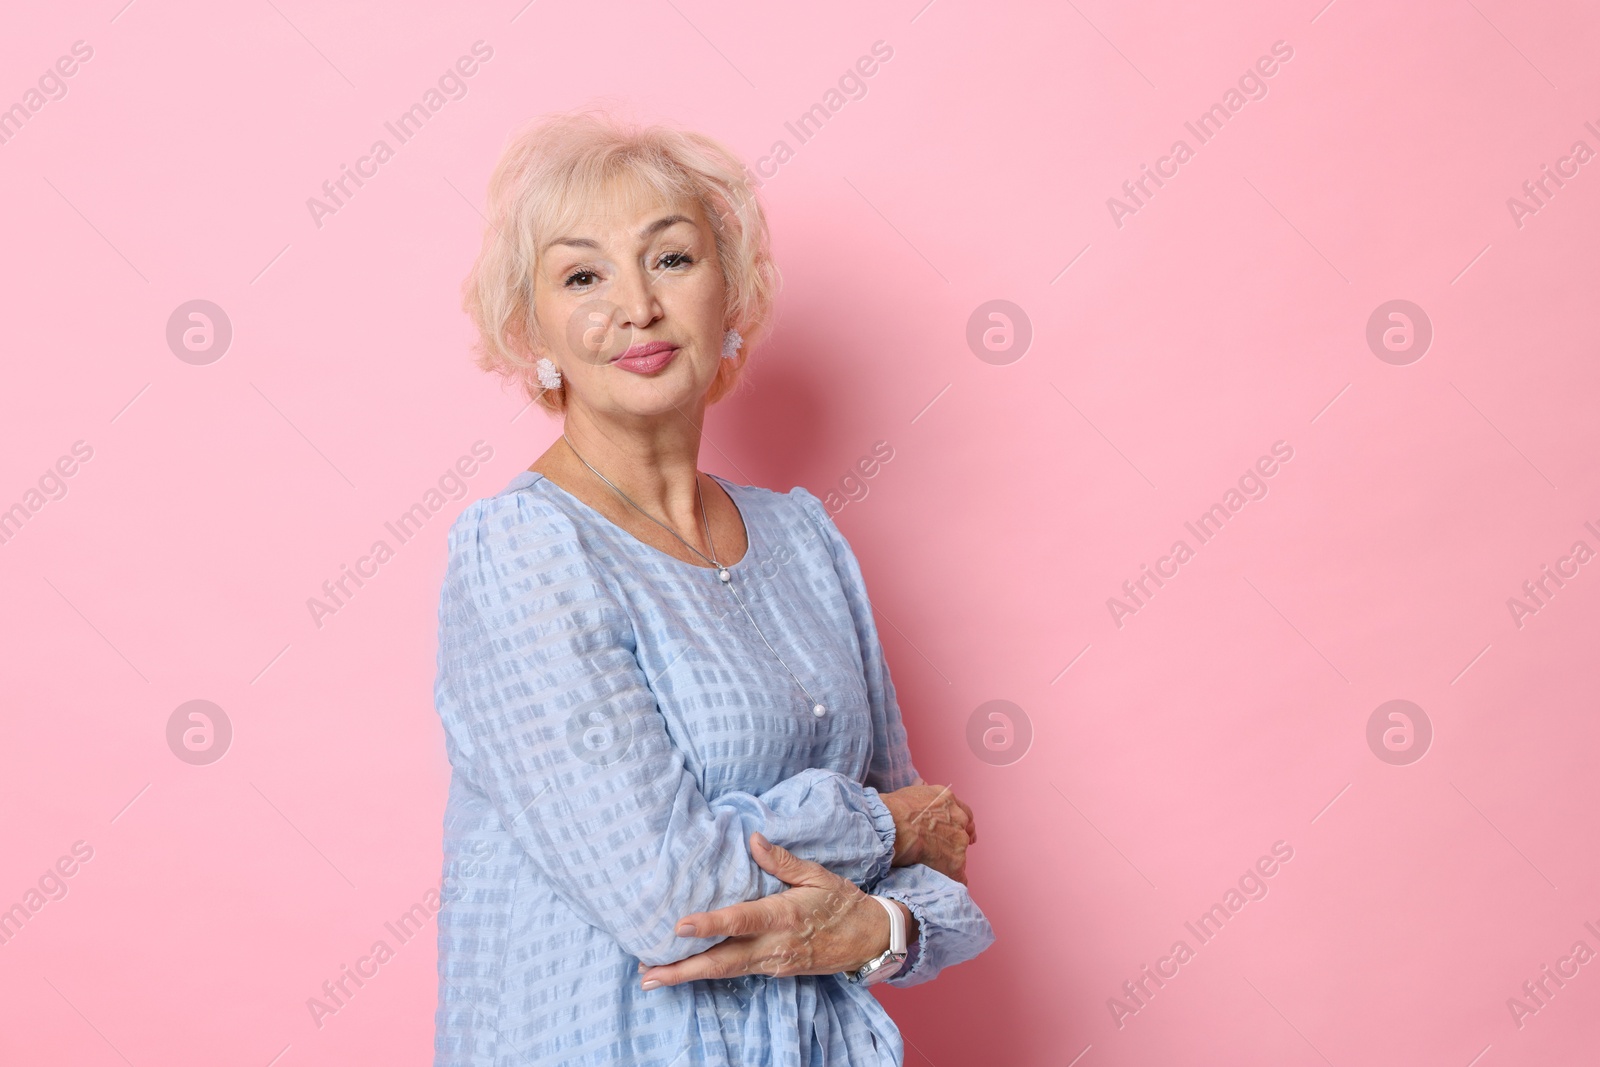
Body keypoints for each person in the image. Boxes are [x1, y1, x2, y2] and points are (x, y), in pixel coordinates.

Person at [432, 108, 994, 1067]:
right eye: (582, 275)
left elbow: (939, 886)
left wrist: (877, 931)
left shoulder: (805, 536)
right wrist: (882, 825)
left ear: (730, 292)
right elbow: (671, 897)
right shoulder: (522, 550)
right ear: (534, 333)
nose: (637, 307)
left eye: (673, 259)